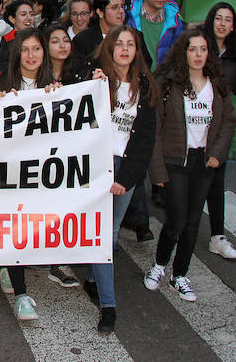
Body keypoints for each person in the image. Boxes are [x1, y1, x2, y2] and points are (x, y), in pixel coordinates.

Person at [144, 28, 236, 302]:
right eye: (192, 49)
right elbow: (155, 130)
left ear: (209, 54)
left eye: (203, 49)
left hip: (204, 161)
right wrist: (157, 170)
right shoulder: (169, 84)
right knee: (176, 220)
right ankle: (160, 264)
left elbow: (229, 121)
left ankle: (179, 274)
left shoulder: (217, 85)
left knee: (193, 222)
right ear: (183, 52)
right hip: (175, 160)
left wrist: (218, 153)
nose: (198, 55)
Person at [83, 26, 158, 333]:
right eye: (119, 44)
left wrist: (126, 179)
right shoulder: (96, 80)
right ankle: (109, 305)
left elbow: (145, 142)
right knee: (102, 237)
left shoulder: (146, 88)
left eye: (131, 44)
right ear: (109, 48)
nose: (125, 49)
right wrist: (91, 84)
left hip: (125, 170)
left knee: (110, 232)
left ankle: (92, 280)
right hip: (96, 167)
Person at [0, 28, 59, 321]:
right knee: (16, 227)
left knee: (28, 229)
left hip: (41, 172)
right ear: (17, 53)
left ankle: (6, 264)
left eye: (37, 49)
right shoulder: (2, 81)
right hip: (10, 171)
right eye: (25, 50)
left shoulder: (56, 85)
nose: (31, 56)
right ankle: (22, 294)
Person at [201, 3, 236, 260]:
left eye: (228, 20)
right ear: (211, 20)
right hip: (195, 121)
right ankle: (181, 231)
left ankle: (217, 236)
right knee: (190, 181)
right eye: (218, 18)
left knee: (216, 180)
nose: (222, 23)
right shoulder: (199, 46)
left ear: (233, 25)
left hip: (221, 125)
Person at [126, 0, 183, 71]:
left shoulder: (175, 21)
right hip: (135, 77)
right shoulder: (129, 17)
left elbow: (179, 54)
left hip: (163, 80)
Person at [0, 0, 34, 76]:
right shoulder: (7, 39)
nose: (29, 18)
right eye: (23, 14)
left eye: (31, 14)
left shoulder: (39, 38)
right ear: (12, 19)